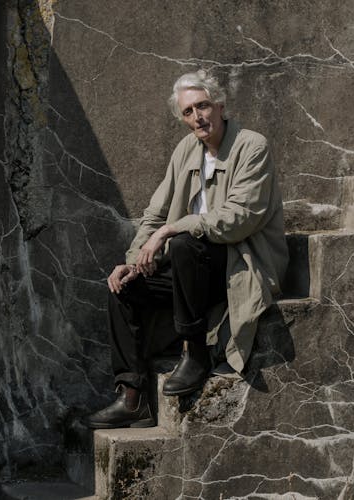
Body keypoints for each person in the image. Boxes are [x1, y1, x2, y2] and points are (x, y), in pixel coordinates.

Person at [83, 70, 288, 429]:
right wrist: (132, 262)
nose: (198, 117)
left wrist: (172, 229)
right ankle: (132, 397)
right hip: (190, 269)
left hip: (239, 262)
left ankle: (195, 354)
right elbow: (156, 212)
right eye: (189, 111)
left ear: (220, 106)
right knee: (123, 287)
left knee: (183, 243)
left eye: (204, 106)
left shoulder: (251, 146)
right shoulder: (185, 150)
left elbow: (238, 218)